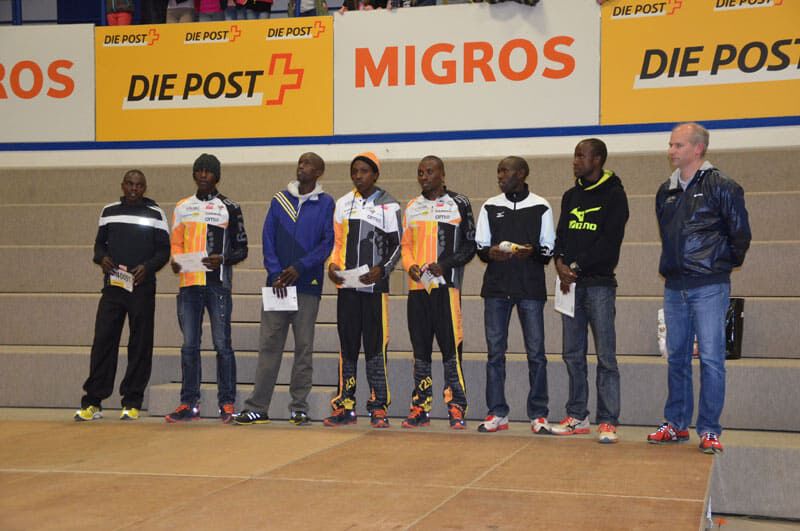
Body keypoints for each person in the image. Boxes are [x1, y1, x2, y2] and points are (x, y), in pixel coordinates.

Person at [648, 123, 751, 454]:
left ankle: (709, 429)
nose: (671, 151)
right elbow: (668, 235)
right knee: (677, 357)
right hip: (674, 285)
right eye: (670, 145)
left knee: (711, 359)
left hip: (709, 285)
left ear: (698, 149)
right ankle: (676, 423)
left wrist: (718, 264)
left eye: (678, 145)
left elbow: (740, 235)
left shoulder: (723, 186)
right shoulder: (665, 191)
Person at [233, 153, 334, 426]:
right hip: (277, 286)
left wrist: (300, 267)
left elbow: (327, 243)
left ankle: (298, 407)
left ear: (319, 172)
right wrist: (276, 273)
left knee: (304, 348)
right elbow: (267, 238)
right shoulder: (280, 200)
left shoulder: (326, 203)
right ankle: (257, 407)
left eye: (308, 164)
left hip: (307, 286)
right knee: (269, 346)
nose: (302, 167)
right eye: (300, 162)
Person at [75, 170, 171, 421]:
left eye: (138, 185)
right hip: (113, 287)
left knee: (140, 344)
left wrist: (147, 267)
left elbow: (164, 251)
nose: (133, 189)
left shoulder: (156, 213)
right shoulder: (109, 211)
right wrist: (102, 258)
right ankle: (93, 401)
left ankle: (132, 401)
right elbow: (99, 245)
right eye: (129, 184)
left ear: (144, 188)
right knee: (103, 342)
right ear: (123, 185)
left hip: (142, 288)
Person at [551, 138, 629, 444]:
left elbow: (609, 242)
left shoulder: (615, 195)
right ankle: (577, 416)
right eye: (575, 155)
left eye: (581, 156)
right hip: (569, 284)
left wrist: (576, 266)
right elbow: (560, 236)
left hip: (599, 285)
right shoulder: (570, 196)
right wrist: (559, 263)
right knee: (572, 354)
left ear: (597, 160)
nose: (575, 161)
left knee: (606, 356)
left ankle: (608, 420)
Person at [475, 156, 555, 434]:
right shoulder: (490, 205)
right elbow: (481, 247)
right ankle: (497, 412)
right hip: (496, 289)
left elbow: (547, 250)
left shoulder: (541, 205)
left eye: (505, 171)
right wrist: (491, 253)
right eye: (498, 171)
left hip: (530, 289)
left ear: (521, 174)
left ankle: (539, 414)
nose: (500, 176)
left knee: (536, 353)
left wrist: (531, 252)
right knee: (495, 353)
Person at [166, 154, 248, 423]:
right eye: (199, 171)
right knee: (189, 345)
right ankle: (189, 403)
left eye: (208, 171)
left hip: (217, 286)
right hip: (189, 285)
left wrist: (222, 259)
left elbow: (242, 249)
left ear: (217, 176)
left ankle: (227, 402)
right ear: (194, 174)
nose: (203, 175)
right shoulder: (182, 206)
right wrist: (176, 260)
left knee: (222, 345)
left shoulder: (230, 207)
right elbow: (176, 244)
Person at [324, 152, 402, 428]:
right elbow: (336, 243)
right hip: (347, 287)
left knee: (375, 347)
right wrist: (332, 265)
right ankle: (344, 404)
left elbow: (397, 246)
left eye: (364, 171)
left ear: (375, 174)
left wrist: (382, 269)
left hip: (374, 289)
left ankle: (378, 406)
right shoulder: (343, 203)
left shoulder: (389, 204)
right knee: (347, 346)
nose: (358, 176)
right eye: (354, 171)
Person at [400, 156, 476, 430]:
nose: (424, 177)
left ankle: (456, 406)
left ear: (442, 174)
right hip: (418, 290)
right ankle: (420, 406)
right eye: (420, 172)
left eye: (429, 172)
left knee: (450, 349)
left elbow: (470, 245)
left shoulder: (459, 203)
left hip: (447, 289)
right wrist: (410, 266)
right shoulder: (412, 206)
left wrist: (445, 264)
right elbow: (405, 246)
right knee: (420, 350)